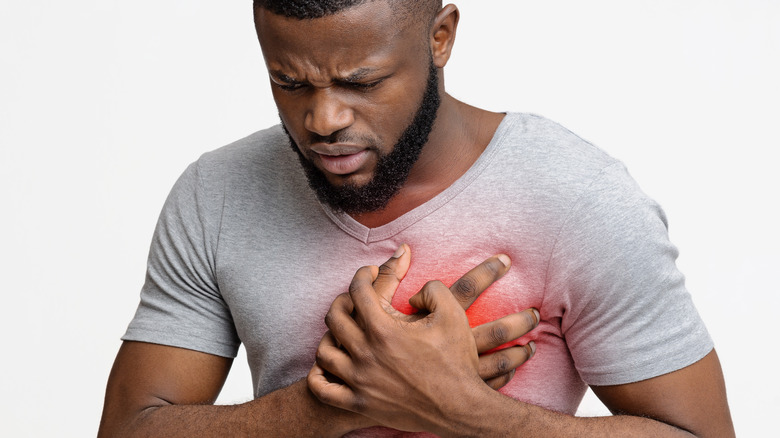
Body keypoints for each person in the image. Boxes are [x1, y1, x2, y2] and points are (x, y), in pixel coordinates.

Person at [98, 1, 735, 436]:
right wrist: (326, 406)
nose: (323, 120)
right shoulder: (219, 192)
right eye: (289, 82)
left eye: (362, 81)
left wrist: (466, 409)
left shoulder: (576, 197)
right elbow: (130, 428)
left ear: (441, 38)